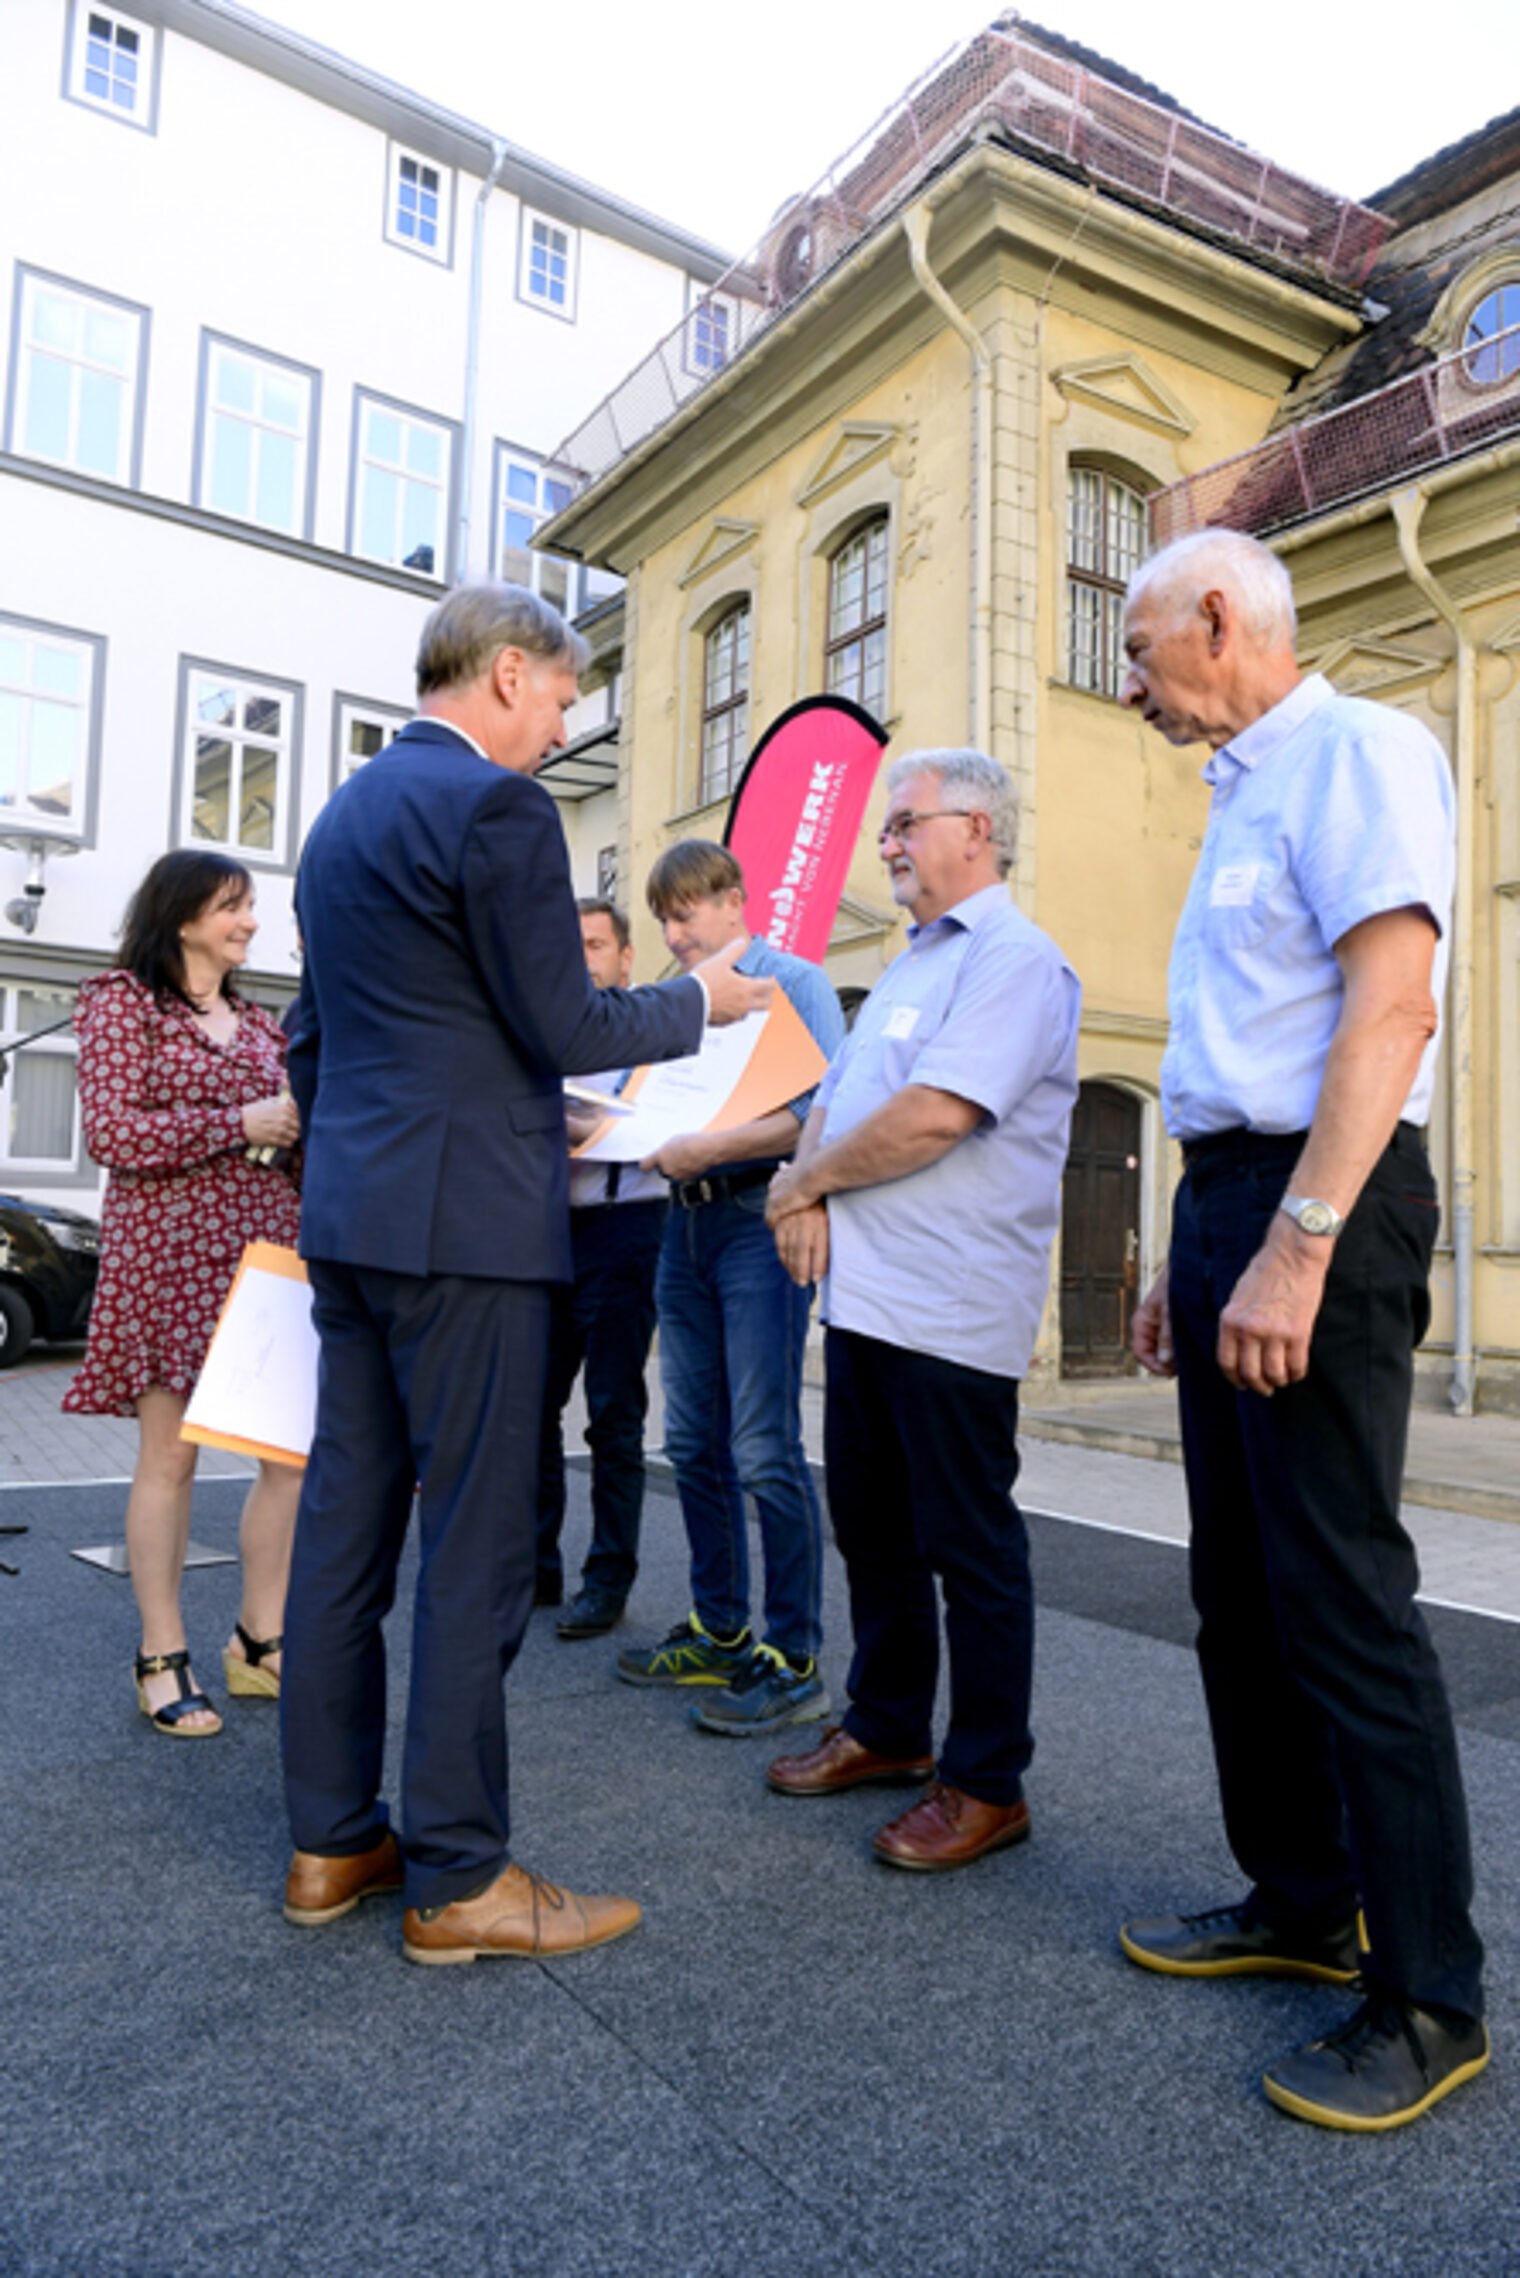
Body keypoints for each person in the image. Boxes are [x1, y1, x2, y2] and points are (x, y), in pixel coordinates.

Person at [279, 581, 772, 1965]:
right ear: (507, 673)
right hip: (471, 1232)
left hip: (359, 1216)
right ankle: (460, 1873)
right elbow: (561, 1015)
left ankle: (333, 1841)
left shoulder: (345, 816)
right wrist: (702, 1002)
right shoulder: (496, 809)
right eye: (561, 697)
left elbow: (317, 1039)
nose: (563, 727)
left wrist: (425, 1120)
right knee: (482, 1545)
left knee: (346, 1530)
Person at [1117, 528, 1487, 2131]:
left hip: (1319, 1199)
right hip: (1232, 1194)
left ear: (1220, 616)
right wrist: (1183, 1248)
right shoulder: (1245, 789)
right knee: (1237, 1588)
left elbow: (1388, 1006)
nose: (1132, 678)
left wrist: (1300, 1243)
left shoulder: (1360, 749)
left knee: (1342, 1594)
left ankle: (1428, 1996)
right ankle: (1301, 1896)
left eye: (1139, 648)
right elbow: (1235, 1041)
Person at [764, 750, 1079, 1869]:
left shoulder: (1013, 961)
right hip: (866, 1299)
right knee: (875, 1531)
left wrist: (802, 1185)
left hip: (949, 1307)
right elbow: (845, 1101)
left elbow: (936, 1114)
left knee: (968, 1545)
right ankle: (889, 1728)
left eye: (904, 823)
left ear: (977, 832)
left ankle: (986, 1779)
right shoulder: (906, 965)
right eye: (888, 827)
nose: (886, 842)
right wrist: (805, 1179)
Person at [66, 850, 304, 1737]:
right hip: (166, 1253)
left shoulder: (264, 1024)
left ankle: (258, 1638)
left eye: (249, 908)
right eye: (233, 906)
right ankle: (161, 1653)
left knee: (288, 1462)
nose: (249, 921)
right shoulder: (120, 1002)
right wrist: (235, 1124)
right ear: (183, 915)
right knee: (171, 1457)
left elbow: (291, 1136)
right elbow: (111, 1132)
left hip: (267, 1250)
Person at [614, 840, 844, 1735]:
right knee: (692, 1442)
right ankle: (720, 1629)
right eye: (664, 918)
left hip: (758, 1221)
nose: (674, 935)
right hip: (685, 1222)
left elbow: (825, 1110)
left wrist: (711, 1150)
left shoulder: (797, 981)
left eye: (687, 914)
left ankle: (794, 1658)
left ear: (734, 901)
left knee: (762, 1445)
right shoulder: (678, 1002)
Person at [534, 897, 667, 1639]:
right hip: (546, 1233)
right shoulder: (546, 1035)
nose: (581, 957)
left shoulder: (653, 1037)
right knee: (532, 1409)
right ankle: (536, 1568)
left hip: (626, 1227)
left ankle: (607, 1580)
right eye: (570, 943)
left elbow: (670, 1127)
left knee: (614, 1415)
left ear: (624, 958)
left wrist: (596, 1126)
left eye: (594, 943)